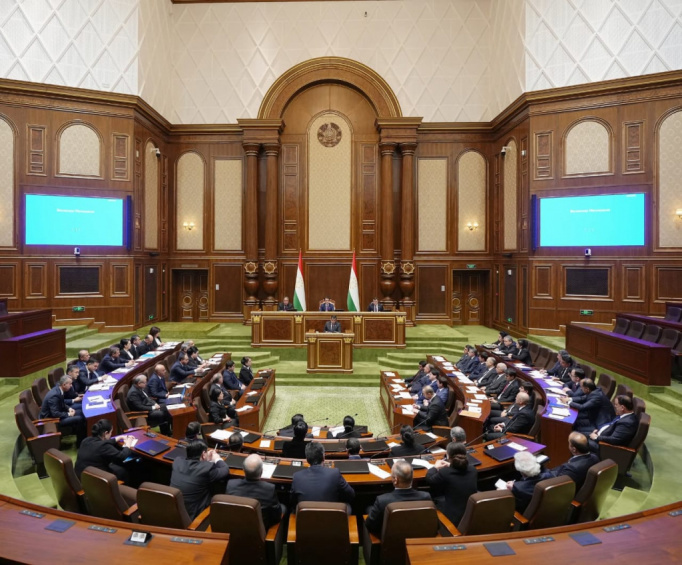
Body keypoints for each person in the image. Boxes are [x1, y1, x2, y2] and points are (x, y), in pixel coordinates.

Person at [364, 459, 431, 536]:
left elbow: (370, 526)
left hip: (391, 541)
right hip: (418, 538)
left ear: (395, 480)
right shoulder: (426, 497)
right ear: (412, 477)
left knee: (369, 509)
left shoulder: (382, 501)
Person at [170, 440, 229, 520]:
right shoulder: (206, 468)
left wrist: (205, 459)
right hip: (194, 517)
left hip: (174, 513)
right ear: (203, 454)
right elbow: (224, 470)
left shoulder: (177, 462)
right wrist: (217, 458)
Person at [290, 442, 355, 511]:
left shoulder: (297, 476)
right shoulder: (335, 473)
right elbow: (351, 494)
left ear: (307, 459)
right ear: (323, 457)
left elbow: (292, 501)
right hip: (331, 516)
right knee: (347, 507)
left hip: (306, 516)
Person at [226, 454, 285, 528]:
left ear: (243, 470)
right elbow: (276, 516)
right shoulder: (269, 489)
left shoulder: (231, 485)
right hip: (261, 528)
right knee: (283, 508)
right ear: (262, 471)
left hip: (236, 526)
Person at [426, 442, 477, 526]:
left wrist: (434, 467)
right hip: (471, 513)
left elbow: (430, 480)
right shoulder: (473, 469)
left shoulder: (445, 472)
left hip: (453, 518)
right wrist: (451, 465)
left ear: (448, 456)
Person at [39, 375, 86, 446]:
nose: (71, 386)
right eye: (70, 384)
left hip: (58, 414)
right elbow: (55, 414)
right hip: (52, 420)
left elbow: (62, 403)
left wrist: (69, 408)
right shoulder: (54, 396)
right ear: (64, 385)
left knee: (81, 412)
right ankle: (79, 443)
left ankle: (82, 436)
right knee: (80, 418)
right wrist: (68, 414)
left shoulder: (58, 389)